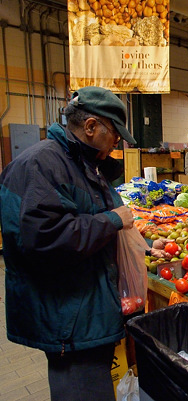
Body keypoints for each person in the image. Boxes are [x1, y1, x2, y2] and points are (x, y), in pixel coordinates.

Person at [0, 86, 136, 401]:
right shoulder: (42, 164)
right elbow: (44, 239)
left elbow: (87, 215)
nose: (117, 143)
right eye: (115, 134)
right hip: (68, 320)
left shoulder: (81, 162)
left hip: (85, 312)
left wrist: (137, 241)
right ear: (90, 127)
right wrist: (112, 220)